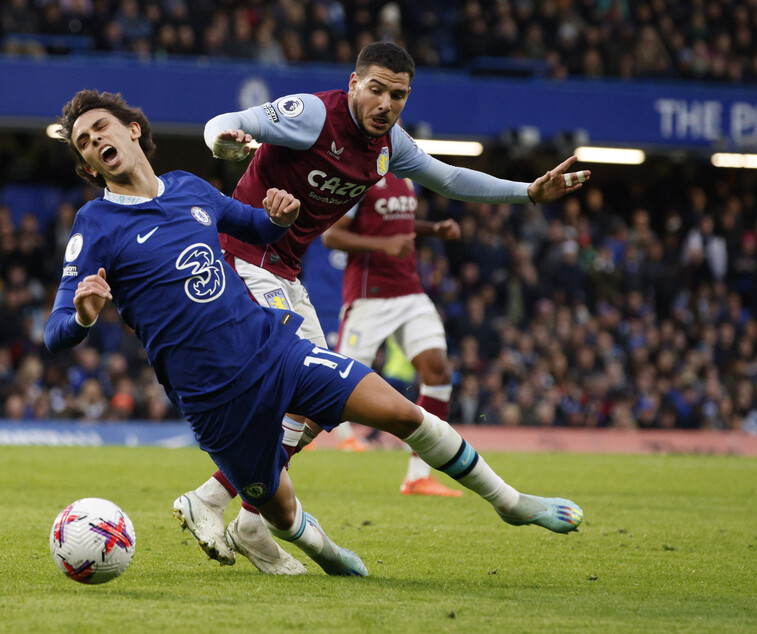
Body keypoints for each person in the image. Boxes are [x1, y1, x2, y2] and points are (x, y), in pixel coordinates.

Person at [45, 89, 583, 578]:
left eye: (101, 128)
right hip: (212, 398)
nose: (96, 140)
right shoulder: (96, 225)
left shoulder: (189, 188)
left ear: (132, 130)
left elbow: (256, 226)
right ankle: (315, 547)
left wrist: (281, 213)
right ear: (88, 164)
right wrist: (86, 316)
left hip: (273, 351)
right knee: (278, 509)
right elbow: (56, 332)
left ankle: (510, 503)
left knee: (400, 411)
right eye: (84, 142)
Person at [177, 41, 590, 574]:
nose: (386, 104)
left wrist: (528, 193)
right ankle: (211, 501)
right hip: (243, 260)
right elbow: (224, 121)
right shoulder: (311, 115)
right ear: (354, 84)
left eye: (398, 95)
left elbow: (452, 179)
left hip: (284, 272)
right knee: (307, 390)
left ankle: (250, 517)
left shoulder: (390, 146)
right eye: (376, 89)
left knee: (316, 408)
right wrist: (225, 142)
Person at [322, 172, 463, 497]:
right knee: (331, 386)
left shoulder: (407, 178)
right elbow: (331, 236)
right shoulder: (359, 178)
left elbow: (399, 227)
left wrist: (433, 229)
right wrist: (383, 245)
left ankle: (417, 476)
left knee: (438, 374)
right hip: (369, 297)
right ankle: (275, 450)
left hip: (409, 293)